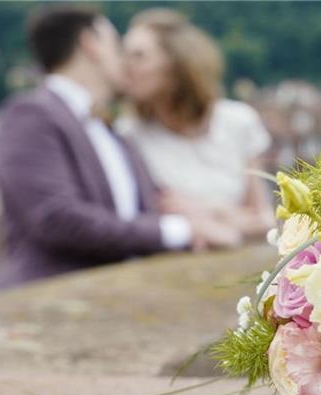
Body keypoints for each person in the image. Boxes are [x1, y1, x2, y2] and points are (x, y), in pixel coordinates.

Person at [0, 6, 238, 288]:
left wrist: (202, 215)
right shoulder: (32, 113)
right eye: (117, 46)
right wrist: (180, 230)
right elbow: (56, 217)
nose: (124, 61)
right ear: (90, 44)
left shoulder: (111, 128)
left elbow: (144, 208)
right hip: (49, 303)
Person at [118, 9, 275, 240]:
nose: (125, 67)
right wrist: (231, 219)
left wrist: (203, 212)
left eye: (139, 56)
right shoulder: (129, 135)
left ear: (176, 63)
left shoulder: (239, 122)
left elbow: (264, 221)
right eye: (124, 55)